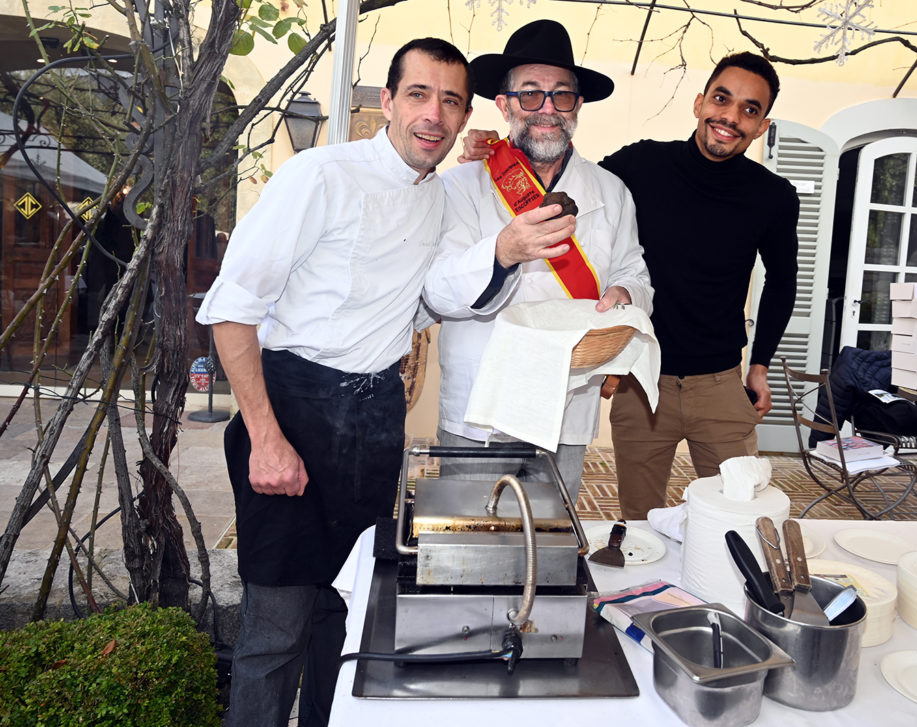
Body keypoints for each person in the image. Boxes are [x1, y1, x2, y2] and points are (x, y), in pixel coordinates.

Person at [195, 38, 473, 727]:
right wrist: (265, 438)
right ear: (387, 101)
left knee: (345, 622)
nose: (433, 114)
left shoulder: (438, 199)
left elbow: (427, 298)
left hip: (374, 424)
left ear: (465, 115)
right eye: (418, 94)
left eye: (451, 100)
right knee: (276, 628)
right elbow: (231, 312)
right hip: (293, 411)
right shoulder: (321, 174)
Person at [422, 19, 652, 503]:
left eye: (561, 95)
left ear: (578, 106)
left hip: (565, 404)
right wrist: (504, 253)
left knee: (548, 552)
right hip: (481, 407)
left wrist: (625, 294)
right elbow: (437, 291)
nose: (547, 109)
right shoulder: (460, 186)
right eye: (530, 94)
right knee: (470, 548)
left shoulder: (611, 191)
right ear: (504, 105)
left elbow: (633, 267)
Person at [601, 52, 799, 518]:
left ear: (762, 126)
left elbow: (783, 281)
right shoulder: (641, 164)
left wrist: (761, 365)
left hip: (721, 388)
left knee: (739, 520)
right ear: (699, 103)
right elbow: (573, 191)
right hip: (642, 381)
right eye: (721, 99)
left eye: (749, 109)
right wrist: (495, 164)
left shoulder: (772, 196)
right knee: (639, 525)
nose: (730, 117)